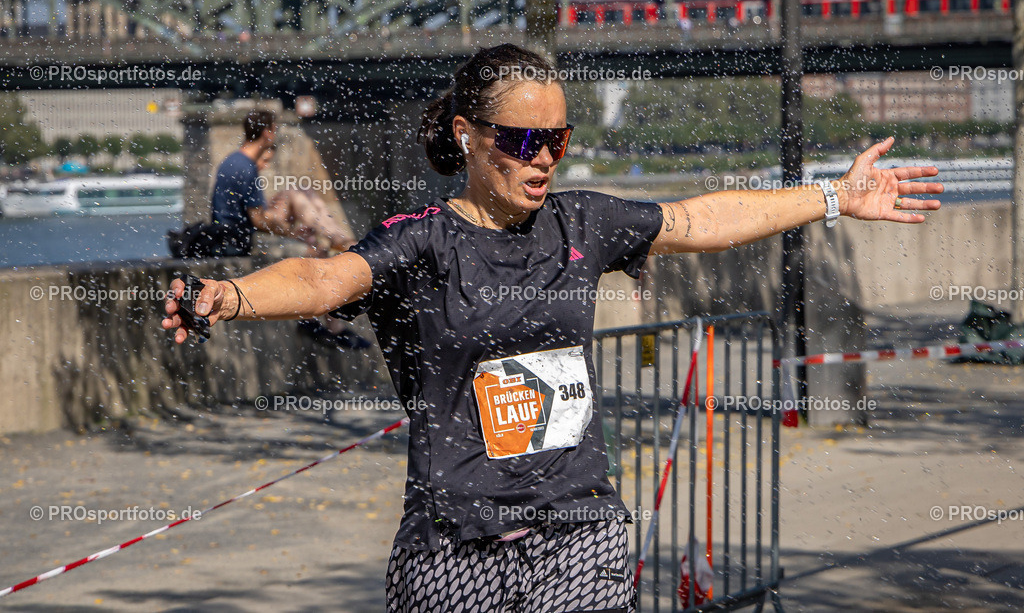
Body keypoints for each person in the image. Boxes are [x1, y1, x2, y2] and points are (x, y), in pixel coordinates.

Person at [163, 44, 943, 612]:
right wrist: (223, 297)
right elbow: (323, 278)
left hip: (582, 530)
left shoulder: (582, 223)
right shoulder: (421, 241)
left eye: (558, 141)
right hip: (452, 546)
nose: (543, 160)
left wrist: (833, 197)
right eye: (522, 141)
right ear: (470, 137)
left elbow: (703, 218)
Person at [210, 109, 355, 257]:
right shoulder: (246, 167)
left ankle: (338, 238)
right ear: (267, 132)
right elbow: (259, 220)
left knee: (301, 190)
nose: (275, 135)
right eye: (275, 130)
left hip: (230, 234)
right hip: (238, 241)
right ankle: (340, 240)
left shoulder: (234, 160)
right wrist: (292, 233)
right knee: (296, 197)